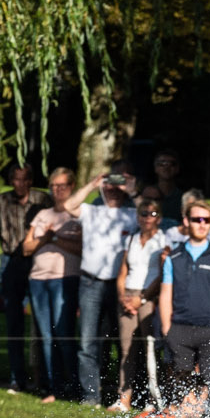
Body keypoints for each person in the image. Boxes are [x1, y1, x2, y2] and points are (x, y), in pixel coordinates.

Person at [71, 169, 137, 404]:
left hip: (121, 286)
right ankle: (91, 395)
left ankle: (123, 394)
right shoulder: (92, 211)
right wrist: (91, 184)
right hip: (91, 282)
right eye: (109, 184)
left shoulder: (132, 213)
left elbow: (150, 215)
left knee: (123, 343)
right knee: (88, 342)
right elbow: (69, 205)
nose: (113, 189)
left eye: (118, 185)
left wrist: (132, 191)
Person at [22, 168, 83, 402]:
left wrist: (55, 239)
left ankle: (75, 385)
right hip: (38, 278)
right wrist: (44, 239)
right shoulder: (42, 215)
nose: (58, 190)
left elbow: (82, 248)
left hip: (64, 277)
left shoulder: (77, 216)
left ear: (72, 187)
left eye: (63, 186)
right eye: (54, 186)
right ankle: (53, 387)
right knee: (46, 335)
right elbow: (26, 248)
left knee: (64, 332)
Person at [157, 199, 210, 386]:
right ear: (186, 221)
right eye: (197, 219)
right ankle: (180, 415)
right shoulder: (173, 258)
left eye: (206, 220)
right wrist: (167, 328)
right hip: (180, 328)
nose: (202, 224)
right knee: (179, 385)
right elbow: (165, 294)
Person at [115, 195, 176, 410]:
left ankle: (153, 397)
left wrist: (141, 299)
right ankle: (124, 396)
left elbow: (162, 275)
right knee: (126, 348)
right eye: (143, 214)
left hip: (150, 295)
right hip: (129, 293)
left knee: (151, 348)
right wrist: (123, 296)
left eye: (152, 214)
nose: (147, 218)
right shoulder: (130, 239)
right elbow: (123, 272)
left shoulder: (163, 241)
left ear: (159, 218)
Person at [0, 163, 49, 391]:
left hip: (37, 259)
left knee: (41, 321)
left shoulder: (42, 200)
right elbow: (5, 236)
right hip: (12, 260)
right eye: (16, 179)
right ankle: (18, 376)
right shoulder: (3, 201)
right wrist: (25, 248)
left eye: (25, 179)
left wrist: (31, 247)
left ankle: (42, 376)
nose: (21, 184)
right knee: (13, 321)